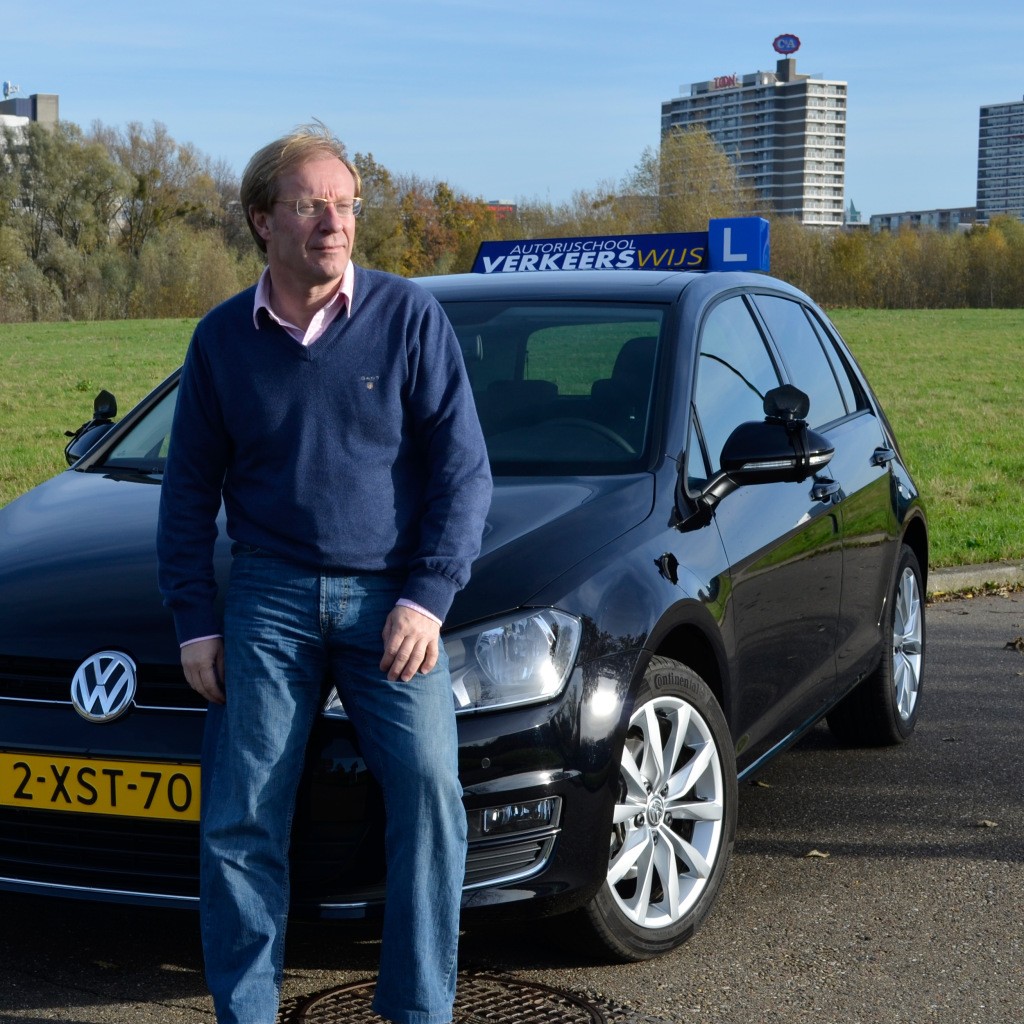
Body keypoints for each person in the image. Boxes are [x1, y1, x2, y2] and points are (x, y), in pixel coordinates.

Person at [156, 123, 492, 1024]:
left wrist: (427, 599)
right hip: (267, 595)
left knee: (430, 791)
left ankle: (418, 1009)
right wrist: (196, 621)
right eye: (311, 205)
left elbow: (464, 474)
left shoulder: (409, 318)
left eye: (345, 205)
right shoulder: (221, 340)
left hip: (391, 597)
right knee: (241, 814)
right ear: (263, 220)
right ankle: (247, 1011)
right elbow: (186, 494)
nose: (334, 223)